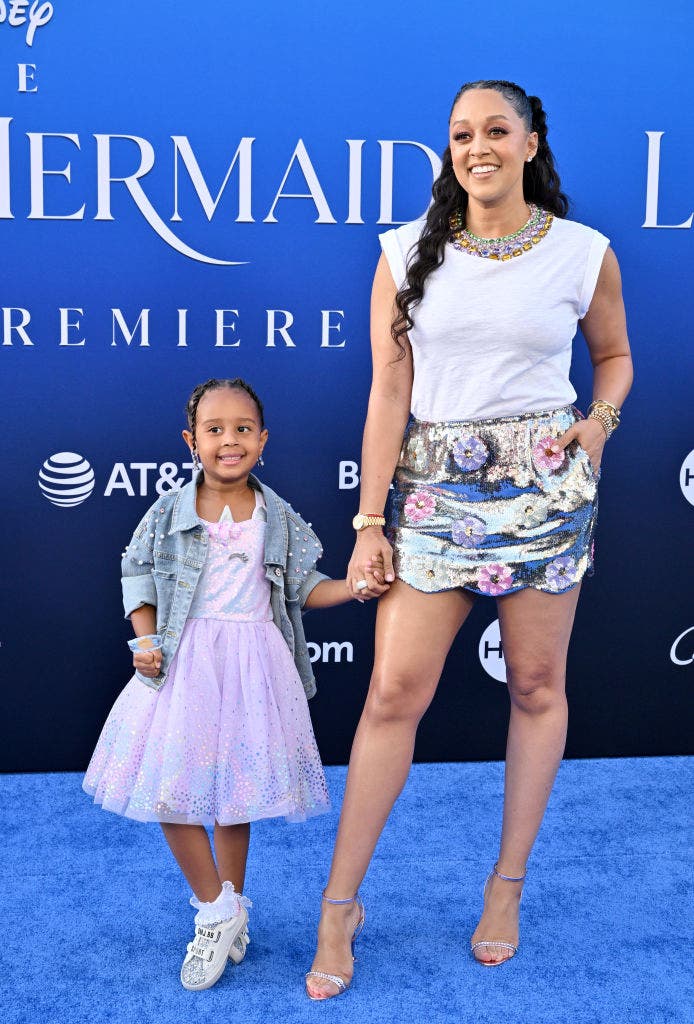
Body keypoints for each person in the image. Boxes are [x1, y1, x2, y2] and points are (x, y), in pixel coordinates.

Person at [305, 79, 633, 999]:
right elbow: (389, 393)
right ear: (448, 149)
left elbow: (615, 358)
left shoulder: (582, 252)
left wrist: (597, 426)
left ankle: (505, 885)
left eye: (496, 130)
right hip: (433, 498)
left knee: (535, 687)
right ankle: (340, 906)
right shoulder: (404, 250)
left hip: (546, 493)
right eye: (461, 134)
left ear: (531, 143)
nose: (477, 146)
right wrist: (369, 521)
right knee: (391, 696)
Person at [83, 377, 375, 992]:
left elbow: (304, 586)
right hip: (185, 662)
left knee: (235, 794)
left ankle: (232, 904)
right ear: (191, 441)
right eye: (214, 430)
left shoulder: (277, 516)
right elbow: (137, 573)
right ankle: (215, 910)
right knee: (173, 795)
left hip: (252, 665)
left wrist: (352, 588)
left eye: (243, 429)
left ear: (263, 441)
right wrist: (146, 640)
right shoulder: (169, 511)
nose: (229, 440)